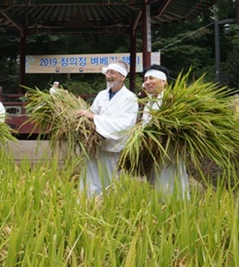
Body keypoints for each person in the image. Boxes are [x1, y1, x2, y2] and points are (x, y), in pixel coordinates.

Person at [76, 60, 138, 198]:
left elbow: (125, 125)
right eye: (107, 72)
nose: (109, 76)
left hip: (113, 150)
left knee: (110, 185)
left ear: (123, 77)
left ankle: (107, 214)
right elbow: (91, 114)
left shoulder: (130, 98)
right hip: (95, 147)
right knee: (89, 183)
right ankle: (85, 211)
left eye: (113, 73)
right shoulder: (101, 95)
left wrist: (94, 118)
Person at [141, 65, 190, 199]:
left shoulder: (172, 101)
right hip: (153, 155)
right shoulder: (148, 104)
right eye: (145, 79)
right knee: (155, 189)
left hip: (169, 155)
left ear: (164, 82)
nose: (147, 82)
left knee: (170, 189)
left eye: (151, 78)